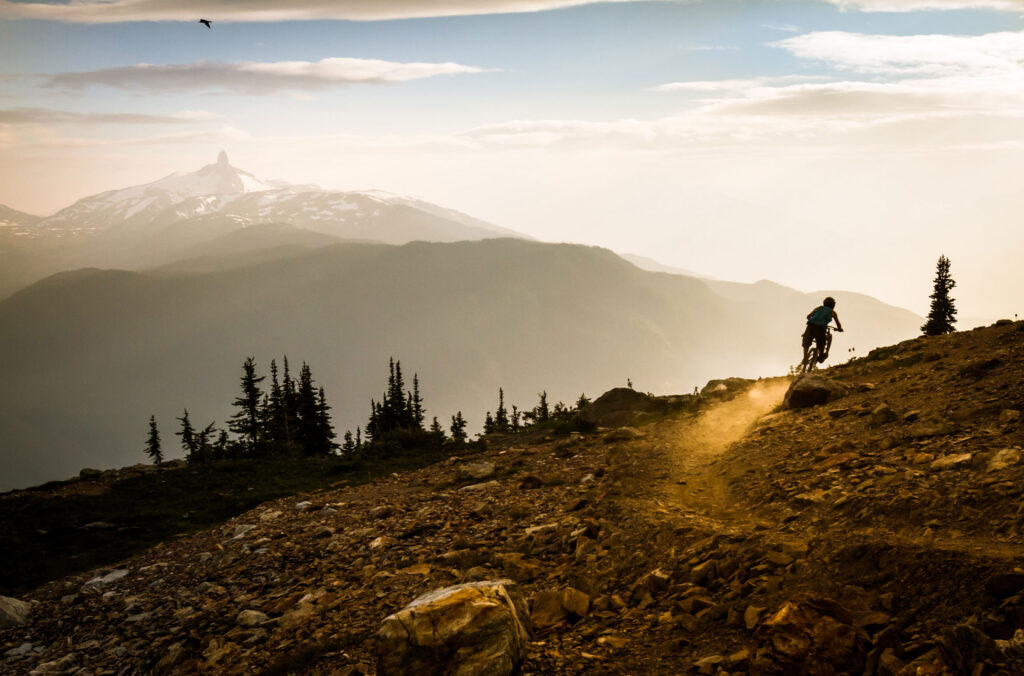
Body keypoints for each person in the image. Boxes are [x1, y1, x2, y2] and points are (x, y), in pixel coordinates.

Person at [803, 296, 843, 365]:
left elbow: (808, 316)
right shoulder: (833, 312)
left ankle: (804, 358)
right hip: (821, 328)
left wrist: (813, 319)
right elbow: (838, 324)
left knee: (806, 341)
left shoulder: (818, 308)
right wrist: (839, 329)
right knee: (821, 343)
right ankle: (821, 356)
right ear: (833, 305)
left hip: (810, 325)